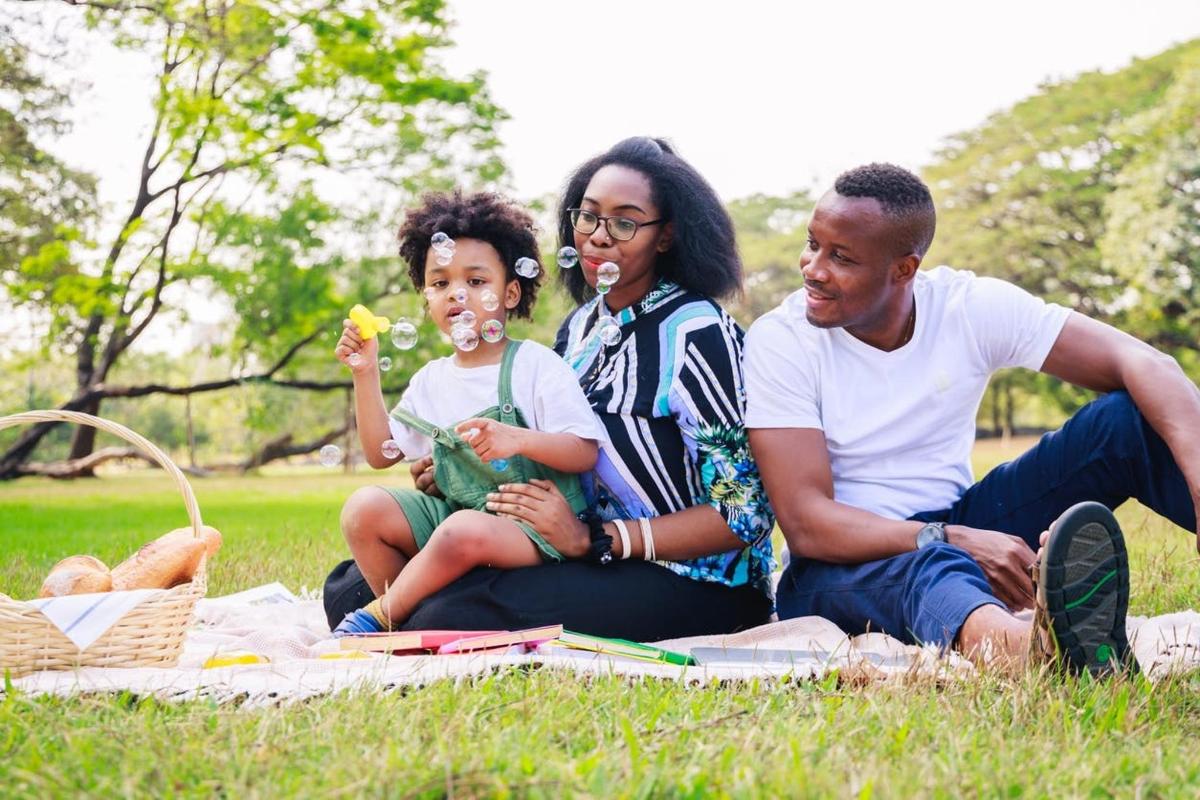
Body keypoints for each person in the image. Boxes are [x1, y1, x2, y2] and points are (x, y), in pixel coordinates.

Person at [744, 162, 1200, 674]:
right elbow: (807, 524)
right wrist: (952, 539)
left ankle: (1040, 621)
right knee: (933, 564)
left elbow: (1146, 364)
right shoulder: (781, 340)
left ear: (904, 269)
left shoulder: (967, 306)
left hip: (960, 524)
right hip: (836, 569)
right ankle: (1037, 651)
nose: (813, 267)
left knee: (1123, 424)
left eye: (841, 257)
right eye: (813, 244)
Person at [326, 137, 776, 640]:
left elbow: (745, 513)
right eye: (587, 216)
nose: (597, 237)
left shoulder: (697, 331)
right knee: (345, 588)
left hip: (695, 580)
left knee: (444, 612)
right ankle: (407, 612)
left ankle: (409, 620)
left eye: (624, 222)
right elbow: (546, 441)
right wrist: (458, 468)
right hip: (573, 550)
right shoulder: (581, 327)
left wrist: (597, 540)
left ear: (666, 236)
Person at [330, 190, 601, 635]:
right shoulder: (431, 380)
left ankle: (379, 616)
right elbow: (382, 453)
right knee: (364, 509)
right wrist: (364, 374)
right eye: (440, 284)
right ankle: (417, 620)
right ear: (427, 299)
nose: (456, 293)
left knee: (461, 530)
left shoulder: (534, 365)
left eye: (476, 282)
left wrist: (519, 439)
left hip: (532, 526)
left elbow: (583, 451)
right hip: (459, 519)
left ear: (510, 292)